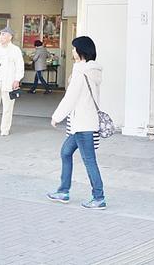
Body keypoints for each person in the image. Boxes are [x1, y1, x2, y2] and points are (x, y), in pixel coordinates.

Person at [47, 36, 106, 210]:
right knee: (66, 152)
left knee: (89, 161)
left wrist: (56, 116)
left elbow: (70, 98)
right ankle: (63, 191)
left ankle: (99, 197)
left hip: (83, 125)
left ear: (81, 51)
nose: (72, 51)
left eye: (74, 49)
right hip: (83, 123)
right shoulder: (91, 70)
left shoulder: (81, 71)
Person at [0, 26, 24, 136]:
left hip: (9, 82)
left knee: (8, 107)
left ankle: (5, 129)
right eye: (1, 34)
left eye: (3, 34)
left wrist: (17, 79)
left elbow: (20, 66)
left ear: (10, 37)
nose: (1, 37)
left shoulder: (15, 50)